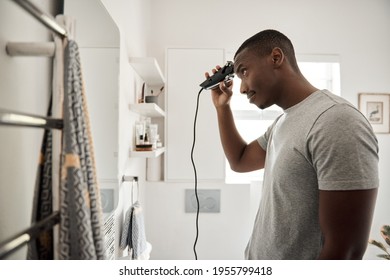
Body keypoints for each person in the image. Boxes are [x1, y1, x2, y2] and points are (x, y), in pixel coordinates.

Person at [205, 29, 379, 259]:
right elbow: (240, 161)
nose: (243, 88)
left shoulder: (336, 121)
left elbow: (345, 251)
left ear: (276, 58)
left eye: (244, 72)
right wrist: (222, 107)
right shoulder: (283, 121)